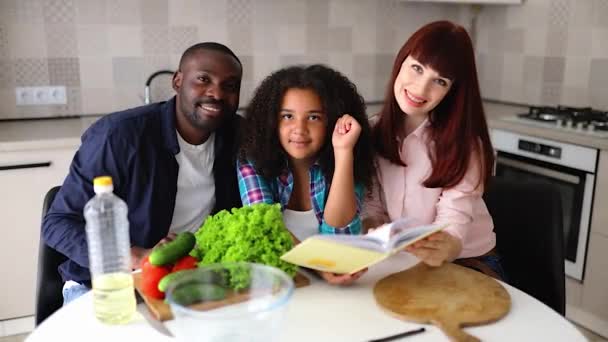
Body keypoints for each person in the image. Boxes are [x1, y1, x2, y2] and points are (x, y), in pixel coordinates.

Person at [42, 42, 244, 304]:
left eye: (230, 86)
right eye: (203, 79)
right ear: (178, 81)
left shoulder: (238, 136)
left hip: (189, 280)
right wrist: (135, 256)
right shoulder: (118, 136)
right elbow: (57, 223)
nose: (216, 93)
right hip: (104, 285)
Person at [363, 21, 505, 279]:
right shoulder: (372, 132)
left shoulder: (465, 144)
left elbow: (453, 223)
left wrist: (446, 245)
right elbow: (372, 203)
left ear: (451, 91)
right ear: (401, 62)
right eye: (416, 68)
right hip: (404, 257)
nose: (420, 89)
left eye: (439, 81)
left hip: (468, 261)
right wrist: (375, 230)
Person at [237, 65, 375, 285]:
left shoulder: (348, 159)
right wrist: (318, 267)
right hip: (278, 285)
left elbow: (341, 239)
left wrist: (343, 152)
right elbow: (265, 227)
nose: (299, 129)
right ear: (272, 120)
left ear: (332, 121)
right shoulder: (252, 161)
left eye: (313, 117)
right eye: (287, 116)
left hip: (339, 290)